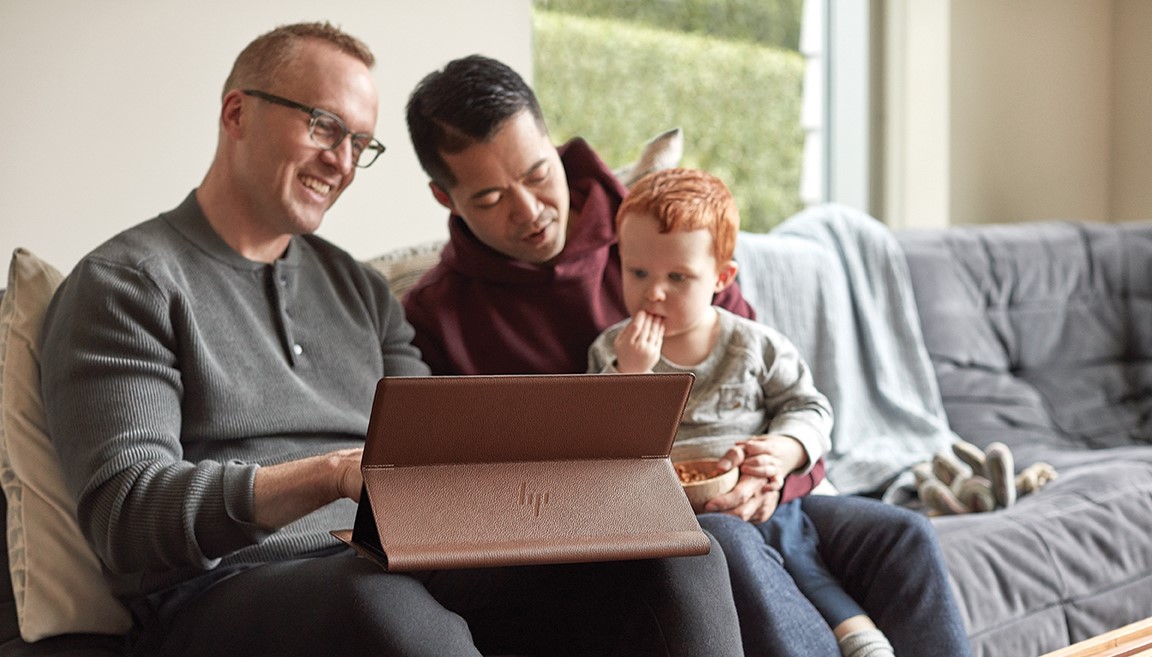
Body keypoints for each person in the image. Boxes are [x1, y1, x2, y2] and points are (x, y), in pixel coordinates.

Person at [39, 23, 746, 657]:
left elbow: (441, 450)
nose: (341, 162)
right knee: (378, 603)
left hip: (394, 560)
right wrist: (327, 474)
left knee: (674, 553)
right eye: (324, 127)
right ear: (236, 114)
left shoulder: (360, 291)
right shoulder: (128, 283)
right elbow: (126, 514)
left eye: (359, 143)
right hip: (223, 589)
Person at [404, 54, 973, 657]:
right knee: (722, 545)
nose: (529, 210)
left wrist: (776, 476)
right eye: (491, 198)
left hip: (764, 494)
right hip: (637, 538)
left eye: (538, 173)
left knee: (903, 537)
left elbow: (767, 389)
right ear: (446, 197)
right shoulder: (438, 317)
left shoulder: (661, 230)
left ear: (554, 146)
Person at [587, 167, 895, 657]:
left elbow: (808, 405)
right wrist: (631, 375)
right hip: (674, 517)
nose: (654, 292)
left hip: (759, 492)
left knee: (810, 552)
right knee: (755, 551)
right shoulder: (612, 352)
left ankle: (860, 636)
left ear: (722, 278)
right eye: (638, 272)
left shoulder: (753, 345)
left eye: (677, 277)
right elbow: (598, 442)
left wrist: (785, 449)